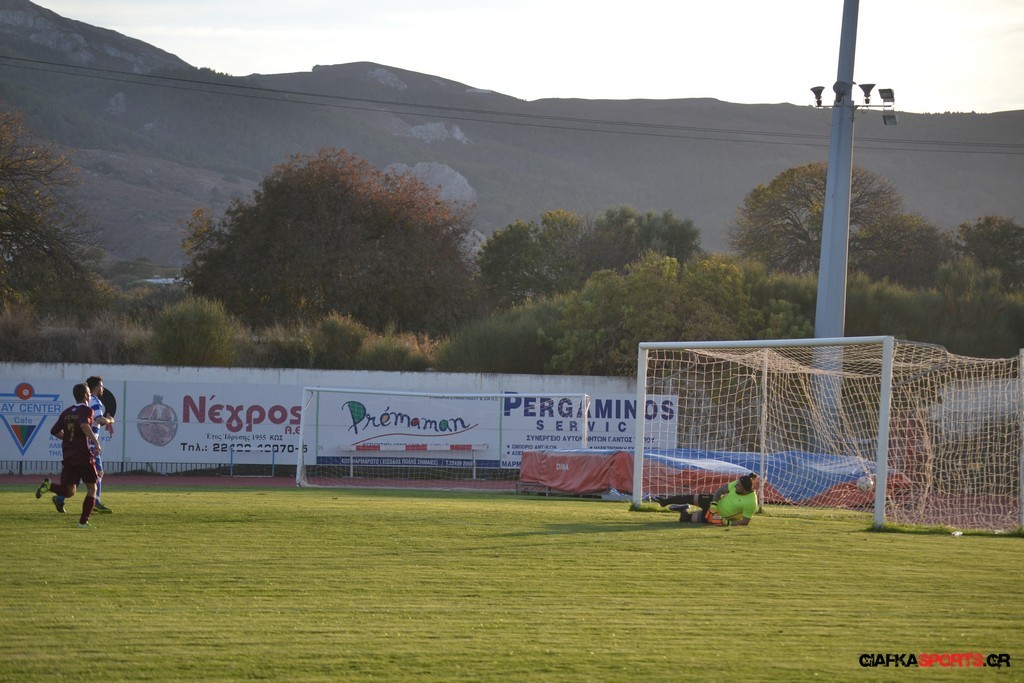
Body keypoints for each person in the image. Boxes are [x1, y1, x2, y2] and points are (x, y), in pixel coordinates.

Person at [36, 382, 103, 528]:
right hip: (83, 454)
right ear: (85, 395)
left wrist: (67, 438)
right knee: (92, 488)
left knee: (69, 491)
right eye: (88, 393)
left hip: (68, 455)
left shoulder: (66, 412)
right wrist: (96, 442)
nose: (89, 395)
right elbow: (84, 425)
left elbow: (54, 431)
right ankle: (83, 522)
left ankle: (49, 486)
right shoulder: (87, 410)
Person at [52, 376, 114, 514]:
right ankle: (95, 502)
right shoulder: (95, 401)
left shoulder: (83, 403)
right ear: (96, 387)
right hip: (89, 444)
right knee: (97, 473)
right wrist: (110, 420)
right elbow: (99, 420)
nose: (102, 389)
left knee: (81, 475)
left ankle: (60, 498)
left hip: (80, 444)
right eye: (101, 386)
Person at [657, 473, 760, 526]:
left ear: (745, 490)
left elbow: (745, 521)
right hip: (714, 502)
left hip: (717, 516)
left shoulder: (751, 503)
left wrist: (727, 523)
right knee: (691, 497)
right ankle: (665, 501)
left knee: (685, 519)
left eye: (738, 486)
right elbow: (720, 490)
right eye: (737, 483)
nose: (736, 486)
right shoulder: (738, 484)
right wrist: (714, 504)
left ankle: (683, 510)